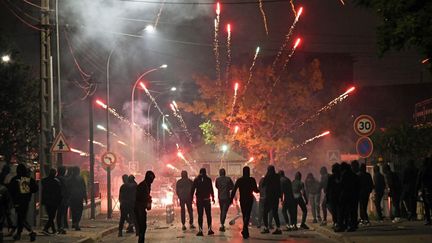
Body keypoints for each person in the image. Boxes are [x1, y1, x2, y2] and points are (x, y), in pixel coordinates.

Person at [8, 164, 38, 241]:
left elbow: (10, 191)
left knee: (21, 218)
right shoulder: (27, 179)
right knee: (21, 217)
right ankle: (19, 234)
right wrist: (29, 190)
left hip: (17, 201)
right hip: (26, 201)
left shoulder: (15, 179)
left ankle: (30, 232)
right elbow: (35, 189)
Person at [230, 166, 259, 239]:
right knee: (248, 214)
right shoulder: (252, 180)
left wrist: (231, 199)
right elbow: (255, 190)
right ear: (249, 172)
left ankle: (245, 230)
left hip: (242, 199)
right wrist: (261, 189)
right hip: (249, 199)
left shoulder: (240, 180)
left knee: (244, 214)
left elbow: (234, 190)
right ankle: (245, 230)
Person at [191, 168, 215, 236]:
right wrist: (213, 198)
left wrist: (191, 198)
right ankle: (209, 230)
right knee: (208, 215)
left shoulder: (196, 179)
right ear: (205, 172)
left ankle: (200, 231)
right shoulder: (208, 179)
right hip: (207, 200)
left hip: (199, 200)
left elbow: (193, 189)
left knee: (200, 215)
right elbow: (211, 189)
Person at [135, 171, 155, 243]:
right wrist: (148, 199)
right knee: (142, 227)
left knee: (143, 227)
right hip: (139, 208)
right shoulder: (143, 185)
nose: (152, 181)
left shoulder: (147, 185)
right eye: (152, 179)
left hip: (141, 208)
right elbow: (139, 197)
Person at [261, 166, 282, 234]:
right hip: (275, 197)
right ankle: (278, 228)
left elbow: (263, 184)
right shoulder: (277, 176)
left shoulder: (268, 176)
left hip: (269, 197)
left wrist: (266, 175)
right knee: (275, 212)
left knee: (265, 212)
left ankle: (266, 228)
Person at [41, 168, 62, 235]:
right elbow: (59, 193)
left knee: (50, 216)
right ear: (55, 173)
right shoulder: (56, 182)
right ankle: (46, 228)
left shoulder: (44, 181)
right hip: (54, 201)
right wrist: (59, 201)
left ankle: (54, 230)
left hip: (47, 201)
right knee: (52, 216)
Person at [68, 166, 87, 231]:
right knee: (79, 211)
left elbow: (68, 189)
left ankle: (74, 222)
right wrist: (85, 198)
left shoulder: (69, 178)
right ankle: (77, 223)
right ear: (78, 171)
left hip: (72, 197)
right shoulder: (80, 178)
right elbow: (84, 188)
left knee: (73, 210)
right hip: (79, 197)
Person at [417, 157, 432, 225]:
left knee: (427, 204)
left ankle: (428, 219)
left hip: (425, 189)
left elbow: (419, 180)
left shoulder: (423, 169)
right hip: (429, 188)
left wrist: (417, 189)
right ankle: (428, 219)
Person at [327, 163, 341, 228]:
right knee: (338, 210)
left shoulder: (331, 177)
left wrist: (327, 197)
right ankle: (338, 222)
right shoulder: (341, 176)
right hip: (339, 196)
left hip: (333, 196)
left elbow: (328, 188)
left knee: (334, 210)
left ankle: (336, 222)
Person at [56, 166, 69, 234]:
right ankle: (61, 227)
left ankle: (60, 227)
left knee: (59, 213)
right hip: (63, 199)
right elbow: (66, 189)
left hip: (56, 198)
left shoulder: (55, 178)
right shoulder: (64, 179)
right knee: (62, 213)